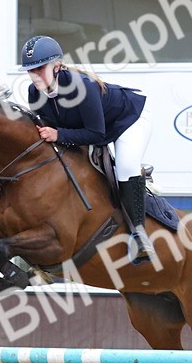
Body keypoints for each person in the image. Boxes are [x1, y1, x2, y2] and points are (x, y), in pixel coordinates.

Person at [19, 35, 154, 264]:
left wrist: (59, 135)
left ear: (57, 66)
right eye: (31, 70)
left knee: (126, 166)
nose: (35, 75)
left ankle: (139, 236)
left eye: (40, 68)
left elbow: (97, 134)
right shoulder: (34, 93)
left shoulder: (83, 86)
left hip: (129, 120)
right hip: (93, 128)